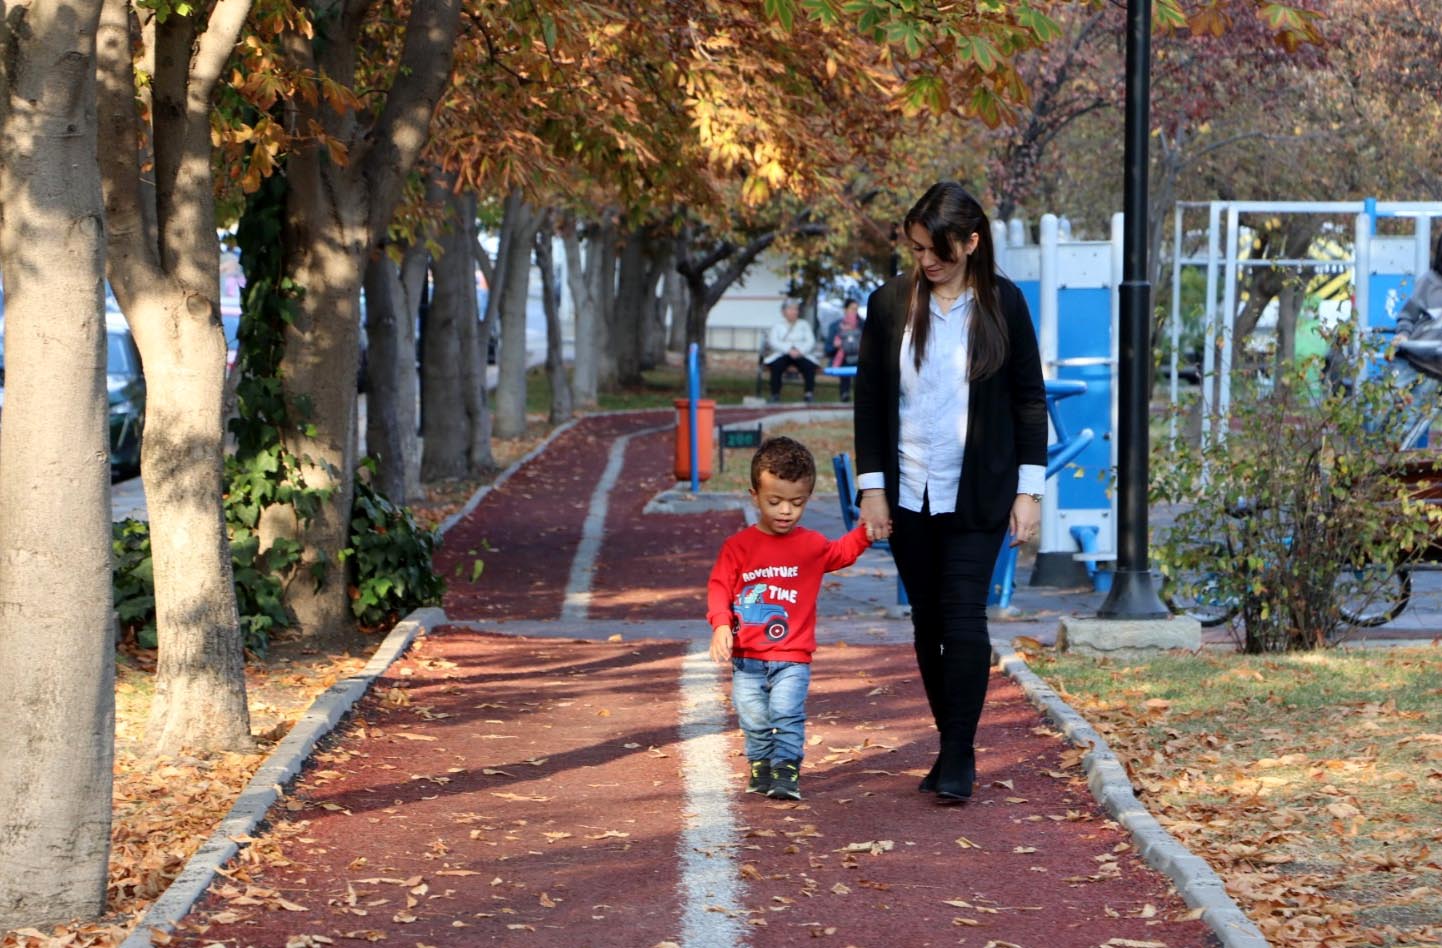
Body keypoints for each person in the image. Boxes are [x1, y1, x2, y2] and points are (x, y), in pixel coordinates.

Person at [853, 182, 1047, 805]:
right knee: (927, 620)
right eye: (916, 248)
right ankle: (949, 740)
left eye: (939, 249)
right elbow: (870, 403)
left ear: (971, 242)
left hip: (979, 491)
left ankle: (959, 752)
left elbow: (1028, 400)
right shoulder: (888, 304)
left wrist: (1029, 491)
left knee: (963, 615)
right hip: (909, 490)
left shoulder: (1004, 303)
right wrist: (872, 489)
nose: (927, 260)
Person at [707, 436, 872, 800]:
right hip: (747, 658)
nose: (785, 511)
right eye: (775, 501)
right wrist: (721, 623)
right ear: (755, 496)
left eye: (796, 503)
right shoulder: (738, 547)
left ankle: (787, 770)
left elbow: (842, 552)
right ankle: (761, 765)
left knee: (785, 712)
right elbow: (719, 586)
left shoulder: (811, 545)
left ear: (808, 500)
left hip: (792, 657)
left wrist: (867, 529)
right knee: (753, 718)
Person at [763, 298, 819, 403]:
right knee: (776, 366)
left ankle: (809, 393)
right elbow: (774, 342)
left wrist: (800, 351)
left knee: (809, 366)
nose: (794, 312)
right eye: (790, 309)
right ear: (784, 312)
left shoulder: (804, 325)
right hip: (783, 353)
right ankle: (775, 394)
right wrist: (788, 350)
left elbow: (810, 341)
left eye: (795, 309)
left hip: (801, 354)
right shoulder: (777, 326)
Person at [828, 299, 864, 402]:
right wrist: (836, 346)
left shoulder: (863, 325)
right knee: (845, 364)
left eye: (856, 309)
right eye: (852, 309)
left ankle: (861, 398)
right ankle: (845, 394)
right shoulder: (836, 326)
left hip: (859, 357)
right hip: (843, 357)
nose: (855, 311)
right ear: (845, 309)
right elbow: (828, 348)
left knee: (862, 367)